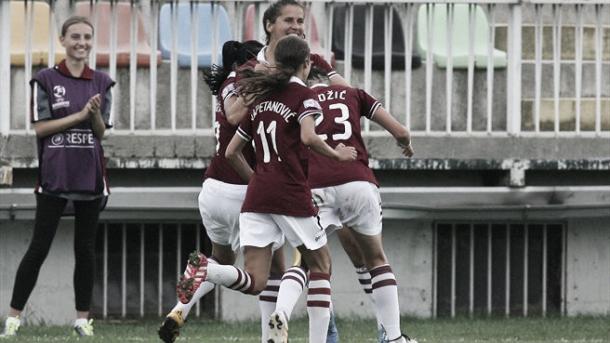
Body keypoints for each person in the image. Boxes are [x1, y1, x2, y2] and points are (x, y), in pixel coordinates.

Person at [177, 35, 356, 343]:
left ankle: (211, 270)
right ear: (306, 64)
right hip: (290, 194)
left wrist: (257, 180)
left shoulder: (260, 99)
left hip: (256, 196)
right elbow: (310, 138)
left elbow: (231, 153)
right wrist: (339, 154)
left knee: (258, 281)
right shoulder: (304, 96)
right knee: (321, 264)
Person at [158, 39, 287, 343]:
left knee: (225, 260)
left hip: (214, 189)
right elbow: (234, 115)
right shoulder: (243, 83)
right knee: (267, 275)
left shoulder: (231, 82)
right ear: (248, 62)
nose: (267, 64)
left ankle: (179, 310)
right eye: (263, 58)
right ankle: (271, 337)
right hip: (244, 190)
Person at [272, 78, 419, 343]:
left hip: (315, 184)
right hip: (356, 182)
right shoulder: (353, 93)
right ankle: (395, 338)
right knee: (376, 260)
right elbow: (400, 131)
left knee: (308, 263)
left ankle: (281, 311)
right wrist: (405, 144)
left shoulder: (297, 99)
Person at [0, 16, 114, 338]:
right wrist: (78, 115)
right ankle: (13, 319)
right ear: (62, 40)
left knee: (86, 250)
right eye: (75, 36)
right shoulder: (46, 79)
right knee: (39, 248)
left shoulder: (102, 82)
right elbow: (40, 128)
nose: (82, 42)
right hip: (55, 177)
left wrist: (93, 117)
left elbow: (101, 133)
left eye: (88, 37)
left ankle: (82, 321)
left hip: (90, 178)